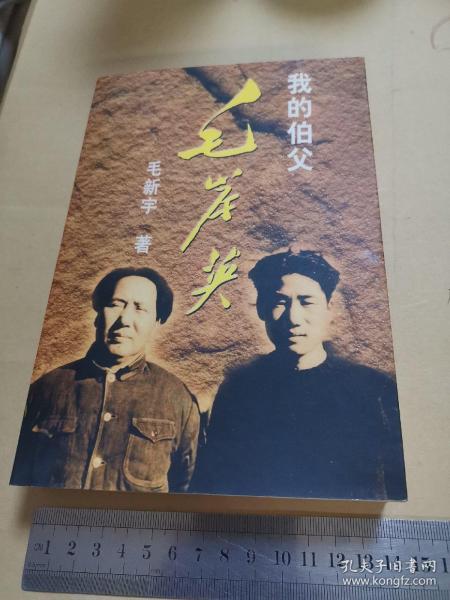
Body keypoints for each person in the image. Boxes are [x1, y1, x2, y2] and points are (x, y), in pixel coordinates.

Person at [192, 250, 407, 500]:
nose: (293, 319)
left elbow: (398, 489)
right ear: (262, 309)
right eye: (280, 302)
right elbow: (215, 486)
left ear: (329, 308)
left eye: (306, 302)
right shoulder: (238, 390)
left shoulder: (374, 390)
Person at [10, 267, 200, 493]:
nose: (124, 319)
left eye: (140, 308)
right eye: (115, 304)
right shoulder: (45, 390)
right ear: (98, 314)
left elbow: (184, 488)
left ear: (157, 321)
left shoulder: (180, 401)